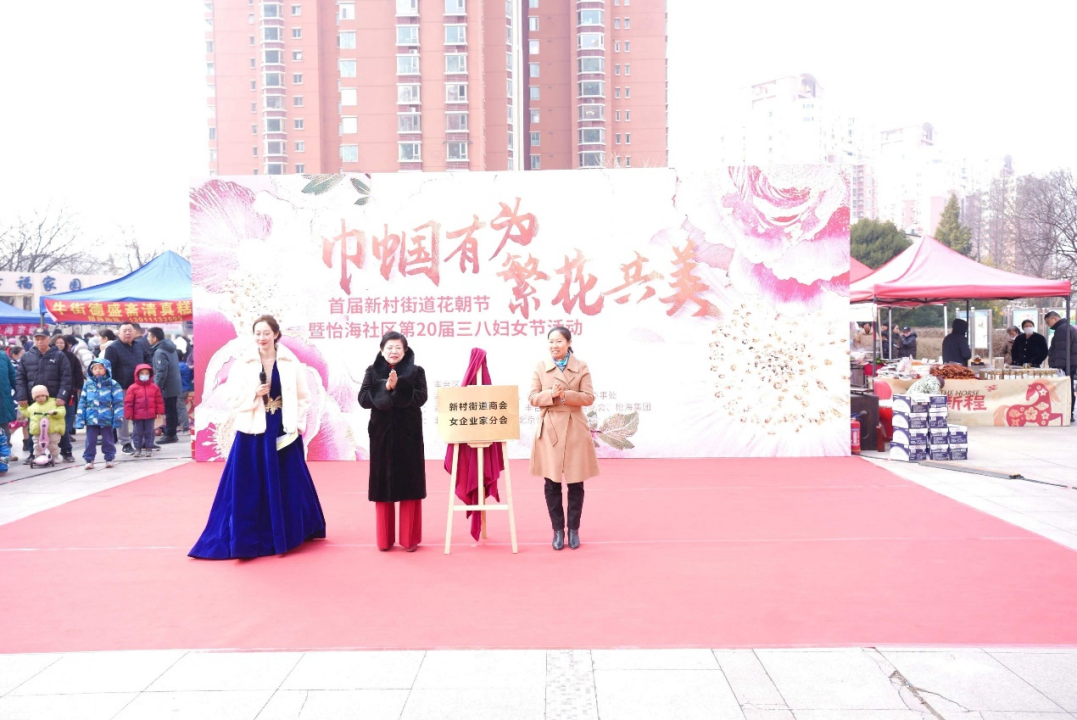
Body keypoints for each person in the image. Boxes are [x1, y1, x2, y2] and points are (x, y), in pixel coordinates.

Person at [190, 315, 326, 559]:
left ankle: (289, 533)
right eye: (258, 333)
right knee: (248, 484)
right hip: (253, 430)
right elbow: (231, 398)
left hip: (283, 428)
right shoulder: (244, 362)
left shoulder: (290, 361)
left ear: (276, 334)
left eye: (266, 333)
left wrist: (296, 423)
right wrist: (254, 394)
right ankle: (249, 537)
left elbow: (303, 396)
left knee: (289, 481)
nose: (262, 338)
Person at [529, 326, 599, 551]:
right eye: (551, 341)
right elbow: (532, 398)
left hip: (574, 428)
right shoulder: (541, 367)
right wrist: (551, 395)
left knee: (576, 481)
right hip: (550, 429)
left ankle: (574, 529)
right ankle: (558, 530)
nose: (554, 345)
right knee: (552, 482)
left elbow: (588, 397)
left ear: (569, 343)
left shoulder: (581, 366)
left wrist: (565, 395)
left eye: (559, 341)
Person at [357, 331, 427, 552]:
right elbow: (363, 399)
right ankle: (384, 539)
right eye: (389, 347)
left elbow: (421, 397)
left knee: (410, 485)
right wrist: (385, 387)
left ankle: (409, 539)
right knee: (383, 486)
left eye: (398, 347)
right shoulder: (372, 371)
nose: (393, 351)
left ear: (405, 351)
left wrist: (400, 387)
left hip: (409, 435)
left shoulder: (417, 371)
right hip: (382, 436)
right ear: (382, 350)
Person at [16, 328, 73, 464]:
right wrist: (22, 397)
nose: (40, 341)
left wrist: (62, 396)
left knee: (58, 425)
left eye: (42, 338)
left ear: (49, 339)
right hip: (34, 399)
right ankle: (33, 453)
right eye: (37, 339)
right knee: (34, 426)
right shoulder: (27, 356)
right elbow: (20, 378)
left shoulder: (59, 355)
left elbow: (66, 377)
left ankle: (66, 451)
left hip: (54, 398)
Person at [105, 322, 152, 454]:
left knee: (141, 413)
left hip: (139, 386)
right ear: (119, 333)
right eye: (124, 331)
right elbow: (108, 370)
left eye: (130, 330)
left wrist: (147, 372)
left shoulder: (139, 345)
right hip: (121, 387)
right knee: (123, 415)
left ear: (134, 332)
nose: (127, 333)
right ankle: (125, 442)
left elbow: (148, 358)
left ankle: (141, 441)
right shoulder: (112, 348)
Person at [76, 358, 124, 469]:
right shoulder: (88, 385)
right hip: (91, 418)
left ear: (106, 369)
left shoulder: (113, 384)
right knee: (90, 440)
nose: (98, 370)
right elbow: (82, 402)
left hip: (106, 417)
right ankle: (89, 460)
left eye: (100, 368)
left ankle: (109, 458)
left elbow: (118, 402)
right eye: (95, 368)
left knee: (108, 439)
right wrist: (80, 419)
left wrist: (118, 417)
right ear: (91, 370)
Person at [147, 327, 181, 443]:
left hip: (167, 387)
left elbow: (161, 372)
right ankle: (172, 433)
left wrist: (156, 388)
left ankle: (170, 435)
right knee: (172, 410)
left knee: (169, 411)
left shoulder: (160, 352)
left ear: (154, 338)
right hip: (174, 384)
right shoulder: (170, 348)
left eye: (149, 336)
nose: (148, 339)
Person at [124, 363, 164, 458]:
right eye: (142, 373)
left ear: (150, 375)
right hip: (137, 415)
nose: (144, 375)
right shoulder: (132, 388)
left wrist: (159, 412)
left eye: (146, 373)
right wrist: (129, 414)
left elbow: (159, 401)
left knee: (149, 432)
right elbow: (128, 402)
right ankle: (138, 448)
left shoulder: (154, 387)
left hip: (150, 415)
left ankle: (149, 448)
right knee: (137, 432)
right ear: (137, 374)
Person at [1044, 311, 1077, 422]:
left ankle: (1067, 412)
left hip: (1064, 366)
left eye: (1048, 322)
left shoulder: (1062, 329)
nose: (1048, 325)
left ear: (1054, 318)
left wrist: (1058, 367)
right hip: (1069, 364)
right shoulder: (1066, 327)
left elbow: (1062, 350)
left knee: (1066, 389)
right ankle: (1068, 412)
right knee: (1068, 388)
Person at [21, 385, 65, 464]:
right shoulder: (33, 407)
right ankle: (38, 457)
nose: (40, 398)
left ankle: (55, 457)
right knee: (37, 445)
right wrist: (22, 407)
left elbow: (62, 411)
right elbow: (27, 413)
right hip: (38, 431)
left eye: (42, 396)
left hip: (52, 430)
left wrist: (55, 412)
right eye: (37, 397)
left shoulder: (54, 403)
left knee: (53, 445)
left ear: (46, 395)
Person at [52, 335, 85, 441]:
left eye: (62, 343)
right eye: (57, 343)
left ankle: (66, 433)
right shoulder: (50, 356)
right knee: (57, 412)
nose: (59, 345)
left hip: (71, 389)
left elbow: (78, 371)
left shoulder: (71, 356)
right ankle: (58, 433)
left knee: (70, 412)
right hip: (54, 389)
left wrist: (79, 385)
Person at [0, 348, 18, 463]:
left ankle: (6, 452)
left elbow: (13, 376)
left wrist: (21, 394)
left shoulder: (2, 356)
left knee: (4, 428)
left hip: (2, 398)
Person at [178, 353, 194, 434]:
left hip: (179, 390)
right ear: (182, 357)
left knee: (181, 409)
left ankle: (185, 427)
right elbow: (190, 377)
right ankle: (183, 426)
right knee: (182, 408)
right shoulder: (186, 366)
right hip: (186, 389)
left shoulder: (177, 367)